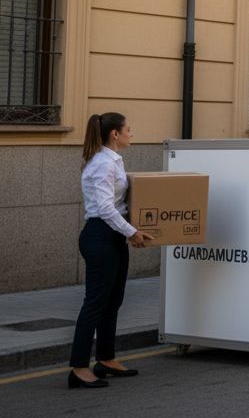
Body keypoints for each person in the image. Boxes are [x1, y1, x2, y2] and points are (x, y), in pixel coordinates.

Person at [68, 112, 154, 389]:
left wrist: (128, 231)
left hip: (113, 236)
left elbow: (117, 205)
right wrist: (132, 232)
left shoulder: (112, 160)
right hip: (100, 236)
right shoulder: (103, 164)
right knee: (95, 304)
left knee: (113, 301)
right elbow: (105, 208)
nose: (132, 133)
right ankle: (79, 368)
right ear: (115, 134)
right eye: (128, 129)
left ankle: (106, 359)